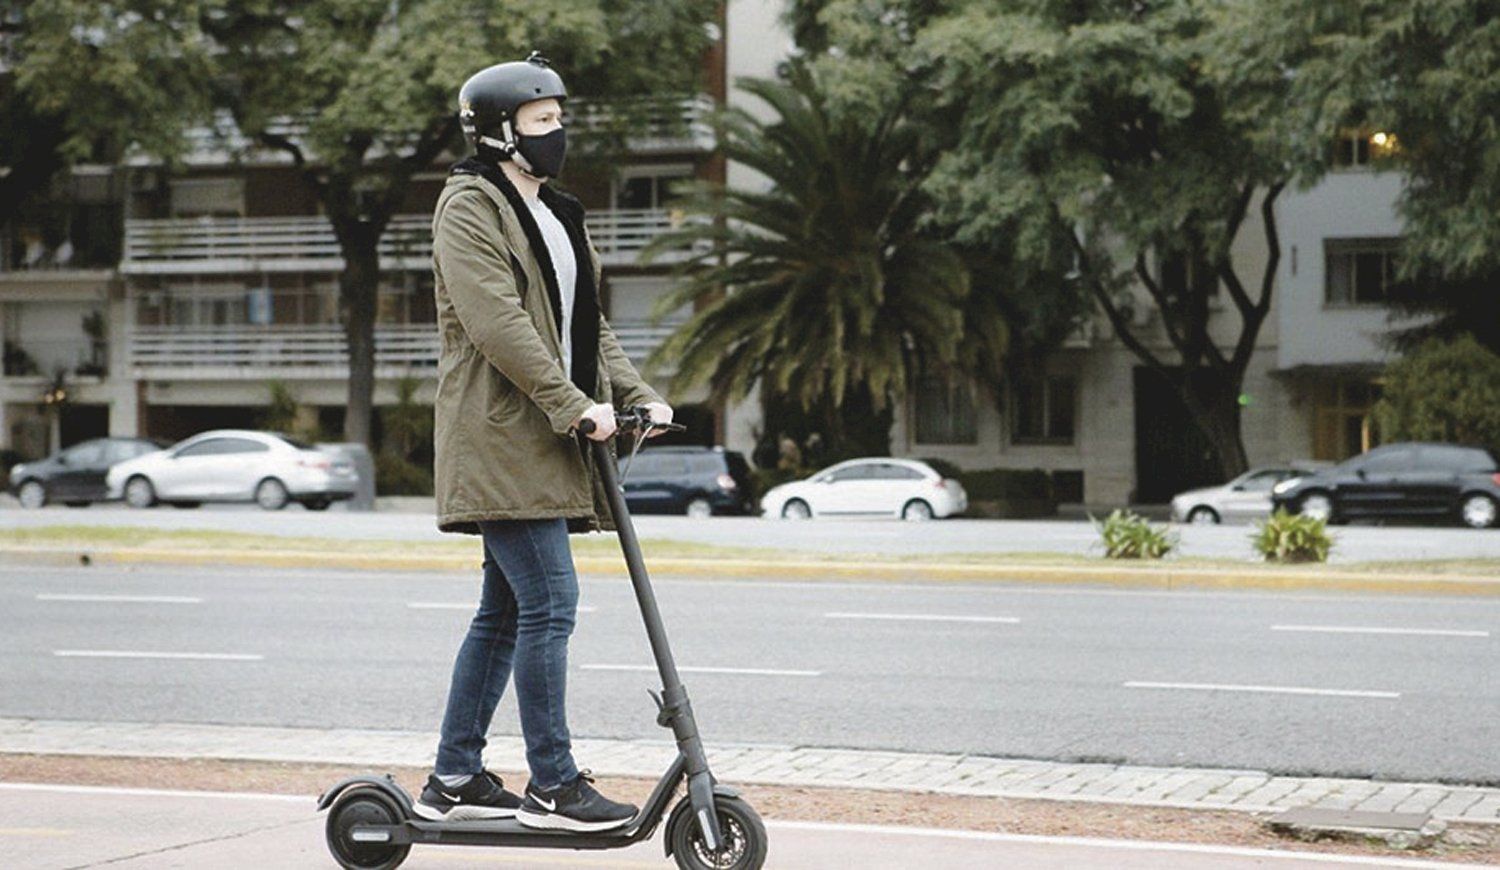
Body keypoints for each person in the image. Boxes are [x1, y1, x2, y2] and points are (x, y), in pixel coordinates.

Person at [418, 52, 672, 832]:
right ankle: (554, 787)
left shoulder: (560, 211)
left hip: (549, 436)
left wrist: (635, 394)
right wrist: (575, 407)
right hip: (501, 435)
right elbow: (498, 325)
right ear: (500, 131)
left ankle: (453, 778)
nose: (558, 132)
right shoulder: (469, 207)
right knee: (551, 602)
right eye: (542, 120)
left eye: (560, 118)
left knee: (504, 612)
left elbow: (586, 326)